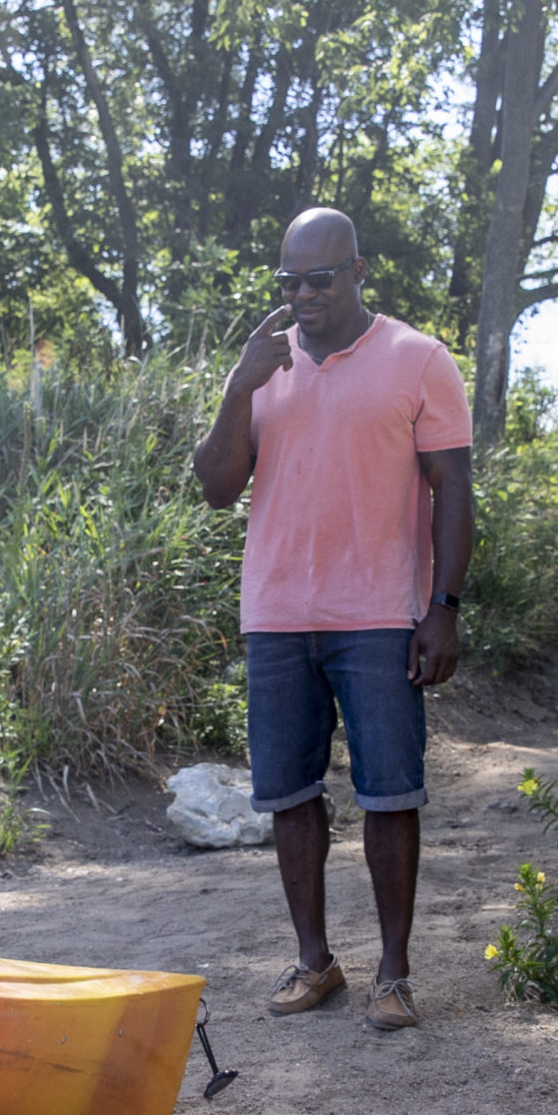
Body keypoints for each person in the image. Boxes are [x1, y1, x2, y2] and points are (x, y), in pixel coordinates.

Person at [190, 207, 474, 1032]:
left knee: (391, 793)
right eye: (289, 280)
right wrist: (239, 382)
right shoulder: (263, 365)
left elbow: (453, 489)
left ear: (357, 271)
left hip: (381, 614)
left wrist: (444, 609)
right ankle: (314, 962)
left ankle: (393, 973)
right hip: (277, 614)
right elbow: (215, 485)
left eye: (320, 277)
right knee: (290, 795)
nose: (304, 294)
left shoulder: (417, 359)